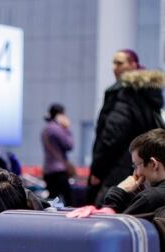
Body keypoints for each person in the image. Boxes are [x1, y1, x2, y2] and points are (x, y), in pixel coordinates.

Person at [89, 49, 165, 205]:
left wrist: (97, 169)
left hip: (117, 169)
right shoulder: (150, 94)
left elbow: (111, 135)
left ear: (133, 64)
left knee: (104, 214)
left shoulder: (124, 93)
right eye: (113, 63)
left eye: (119, 62)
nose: (114, 67)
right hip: (146, 171)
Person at [102, 128, 165, 214]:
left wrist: (118, 192)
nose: (135, 174)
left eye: (136, 166)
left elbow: (112, 225)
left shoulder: (149, 199)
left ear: (153, 164)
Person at [41, 103, 74, 205]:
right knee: (69, 201)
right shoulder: (57, 129)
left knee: (52, 201)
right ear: (60, 114)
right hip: (59, 171)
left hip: (48, 170)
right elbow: (69, 145)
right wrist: (66, 128)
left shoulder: (46, 129)